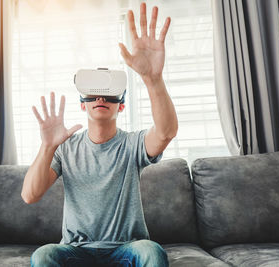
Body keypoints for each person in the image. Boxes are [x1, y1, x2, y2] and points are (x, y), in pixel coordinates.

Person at [21, 2, 178, 266]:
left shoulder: (131, 144)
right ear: (83, 103)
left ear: (121, 104)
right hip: (75, 249)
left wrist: (153, 79)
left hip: (128, 248)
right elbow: (29, 195)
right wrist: (48, 146)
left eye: (108, 93)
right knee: (43, 255)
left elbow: (165, 132)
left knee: (152, 252)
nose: (100, 97)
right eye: (92, 93)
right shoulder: (65, 147)